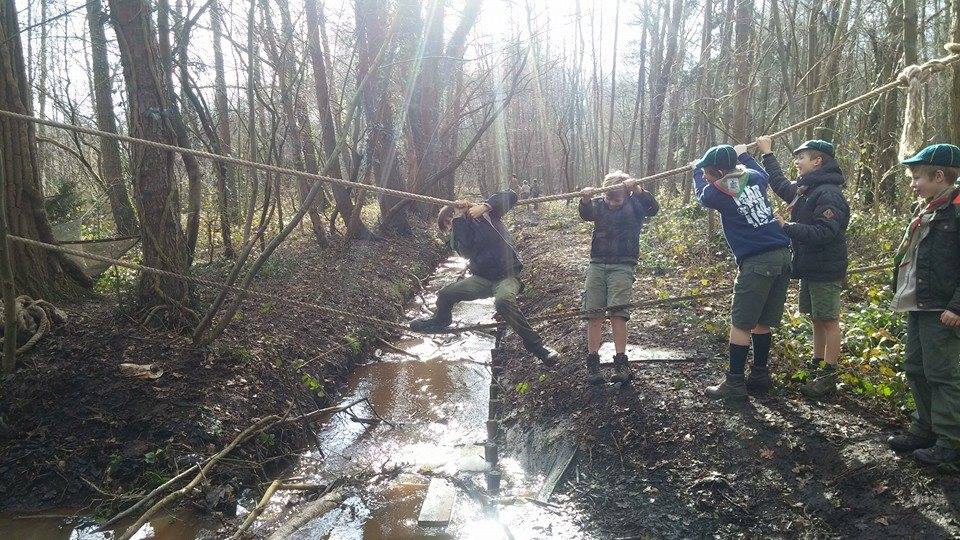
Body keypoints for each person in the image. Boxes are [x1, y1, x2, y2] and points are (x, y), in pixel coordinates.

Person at [409, 190, 560, 364]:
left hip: (507, 276)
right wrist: (458, 220)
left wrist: (485, 206)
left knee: (503, 302)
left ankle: (538, 347)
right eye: (448, 225)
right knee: (445, 294)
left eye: (450, 220)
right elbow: (466, 251)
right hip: (481, 279)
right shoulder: (458, 233)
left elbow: (511, 196)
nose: (450, 225)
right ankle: (441, 320)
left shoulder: (487, 215)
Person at [692, 144, 792, 400]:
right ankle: (759, 374)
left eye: (706, 171)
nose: (704, 176)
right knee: (762, 322)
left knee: (740, 323)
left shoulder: (719, 192)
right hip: (781, 255)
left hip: (757, 261)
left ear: (718, 172)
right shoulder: (755, 178)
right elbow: (761, 172)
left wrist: (693, 171)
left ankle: (735, 382)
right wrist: (745, 155)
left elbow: (702, 196)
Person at [756, 136, 850, 398]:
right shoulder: (807, 189)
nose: (796, 162)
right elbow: (781, 185)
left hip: (825, 268)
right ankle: (817, 364)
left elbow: (825, 232)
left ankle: (829, 375)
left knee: (829, 320)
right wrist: (767, 154)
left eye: (802, 157)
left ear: (817, 161)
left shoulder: (828, 193)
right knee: (816, 318)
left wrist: (788, 227)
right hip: (810, 267)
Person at [886, 143, 960, 467]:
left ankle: (950, 444)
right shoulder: (926, 209)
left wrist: (957, 306)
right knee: (916, 368)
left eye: (918, 177)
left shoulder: (956, 211)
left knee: (943, 375)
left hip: (942, 309)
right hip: (918, 304)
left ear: (940, 175)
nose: (913, 184)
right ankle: (924, 427)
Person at [578, 171, 660, 384]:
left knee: (618, 312)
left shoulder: (636, 203)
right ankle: (593, 364)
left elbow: (653, 209)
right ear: (606, 193)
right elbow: (586, 213)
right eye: (613, 196)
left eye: (620, 196)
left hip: (623, 264)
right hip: (597, 263)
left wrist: (638, 190)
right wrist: (585, 198)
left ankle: (621, 363)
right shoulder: (599, 204)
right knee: (593, 312)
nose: (617, 201)